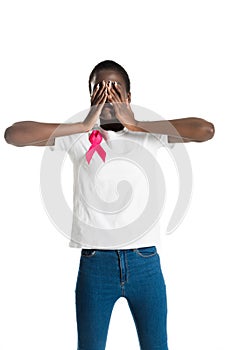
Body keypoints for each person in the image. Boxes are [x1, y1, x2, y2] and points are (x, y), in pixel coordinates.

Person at [4, 60, 215, 350]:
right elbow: (13, 135)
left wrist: (136, 123)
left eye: (115, 90)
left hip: (145, 264)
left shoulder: (148, 134)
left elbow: (205, 130)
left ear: (128, 97)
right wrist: (82, 124)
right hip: (95, 266)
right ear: (89, 98)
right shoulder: (78, 138)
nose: (108, 100)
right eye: (99, 92)